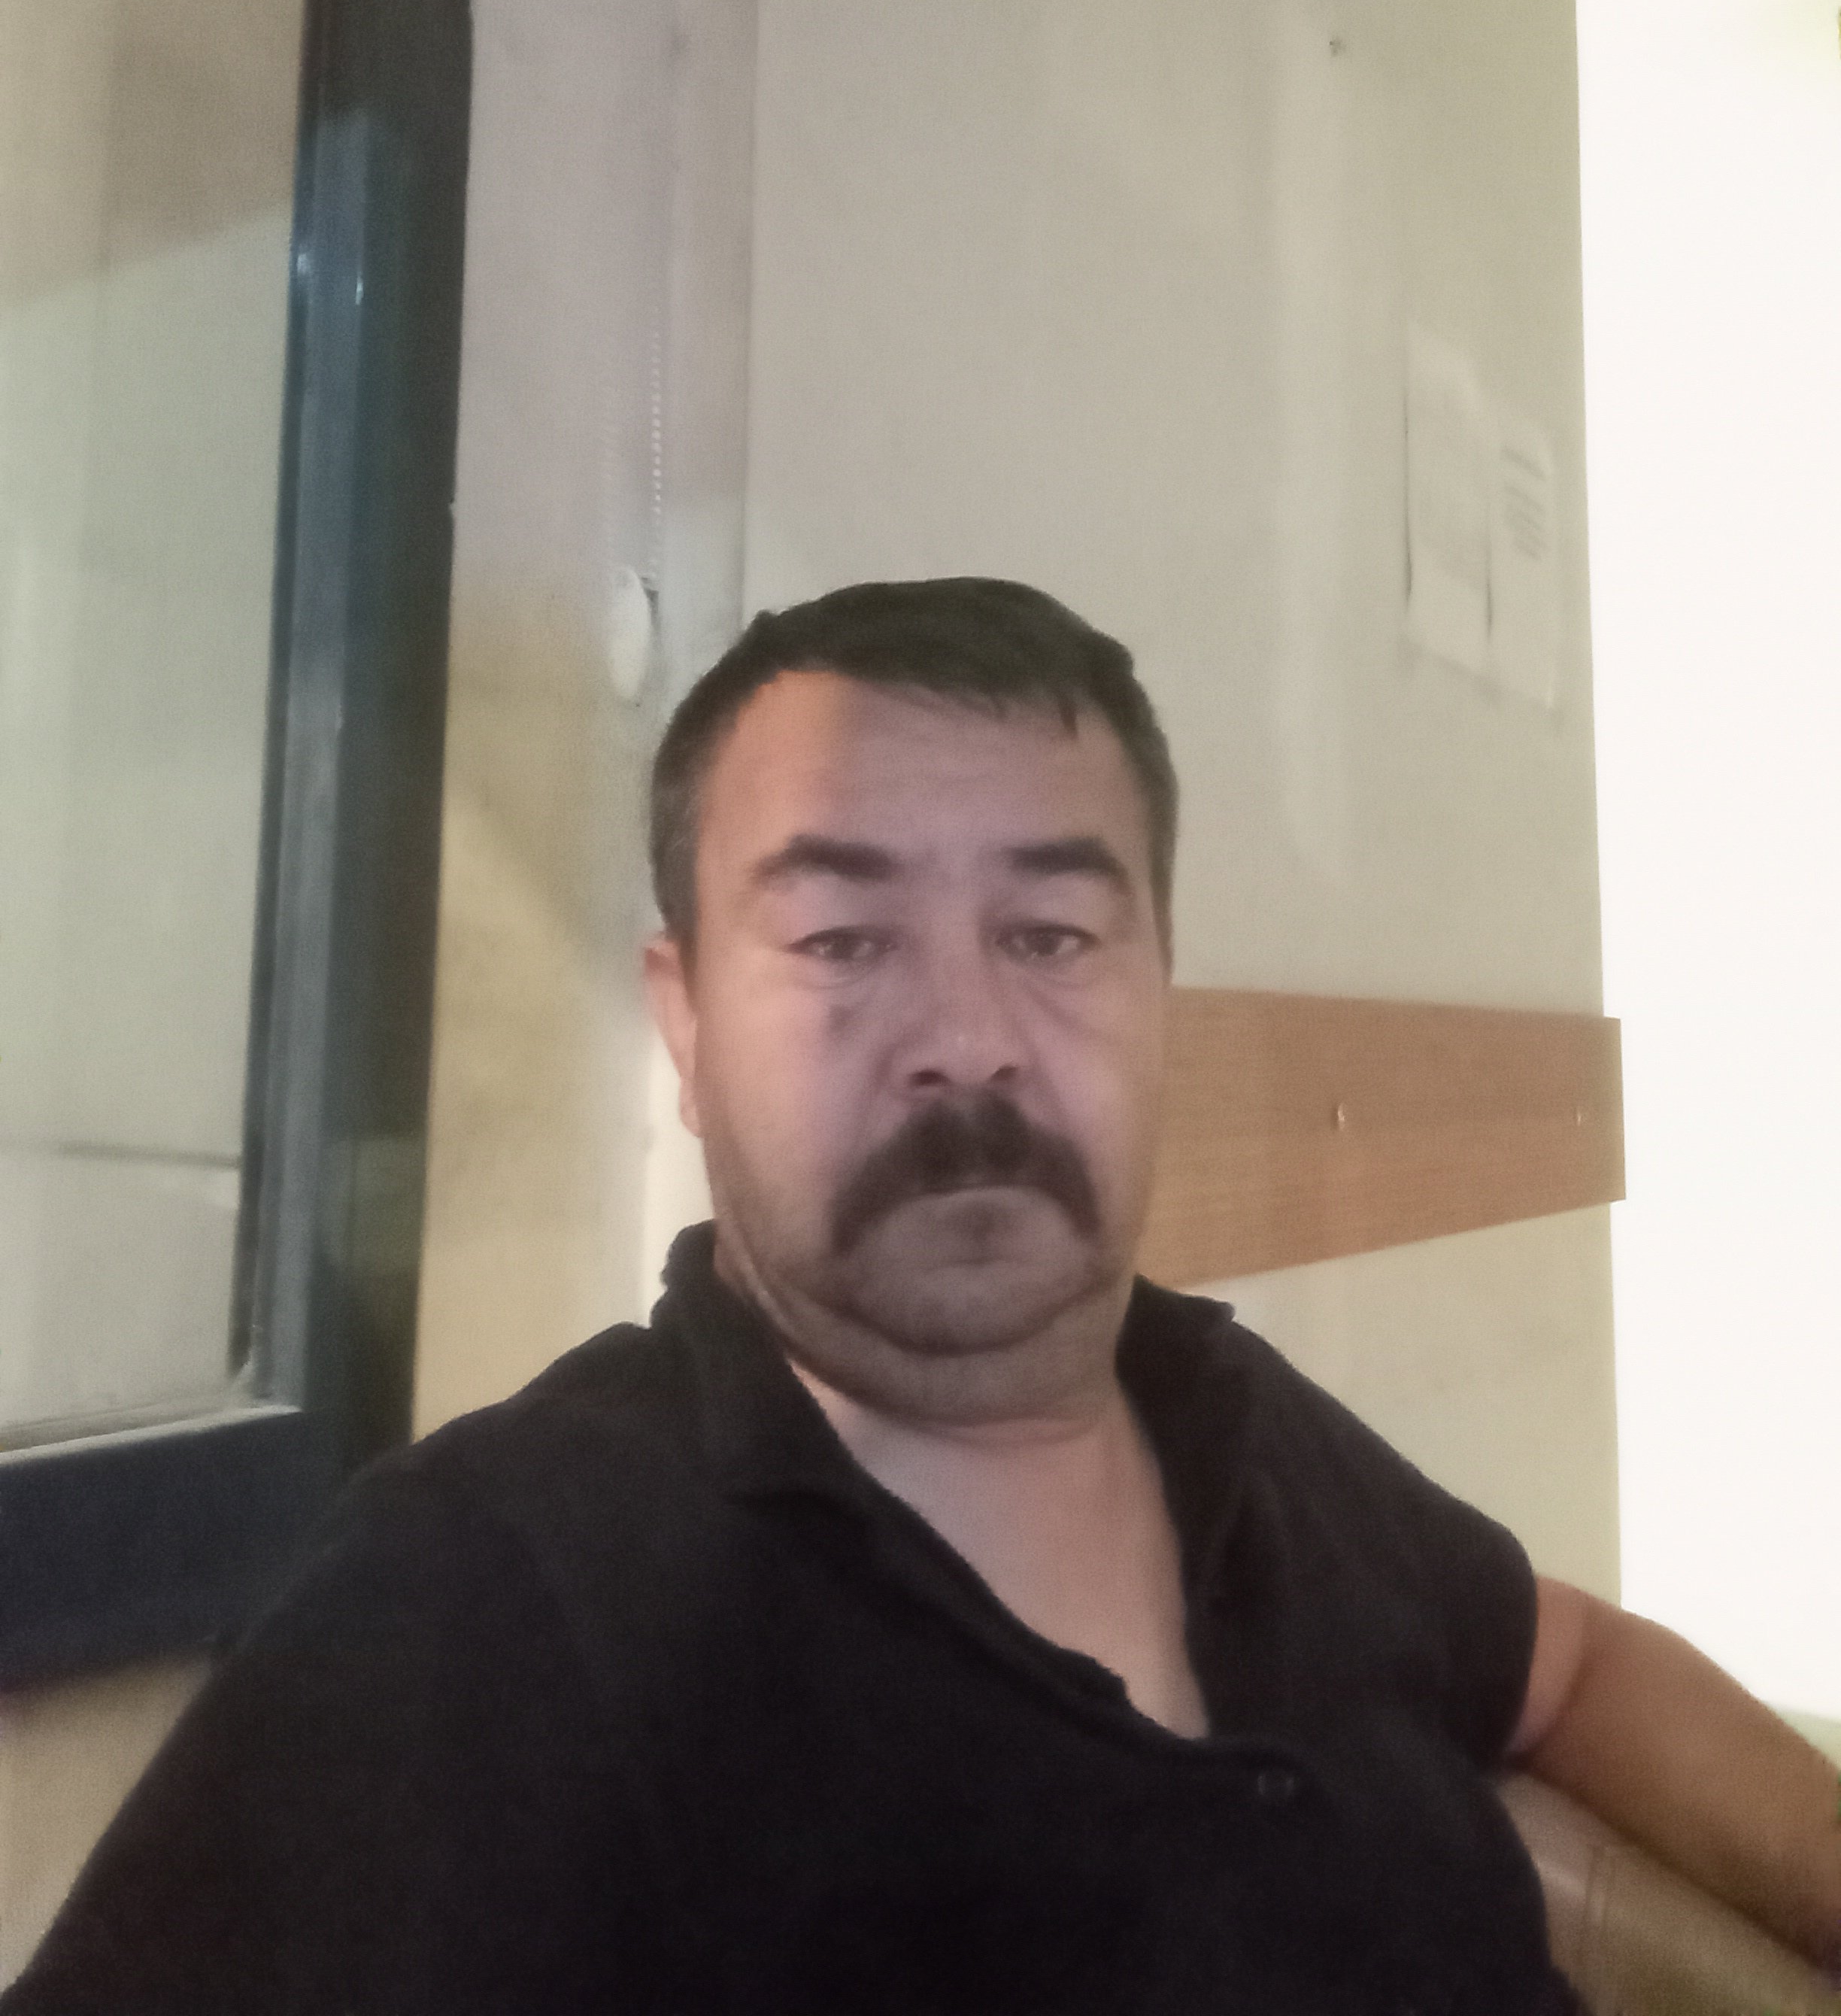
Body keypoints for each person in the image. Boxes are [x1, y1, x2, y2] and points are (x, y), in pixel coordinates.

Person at [8, 577, 1838, 2014]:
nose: (966, 1039)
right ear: (685, 1023)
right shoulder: (488, 1595)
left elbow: (1565, 1664)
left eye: (1051, 935)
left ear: (1160, 990)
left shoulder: (1227, 1412)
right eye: (842, 939)